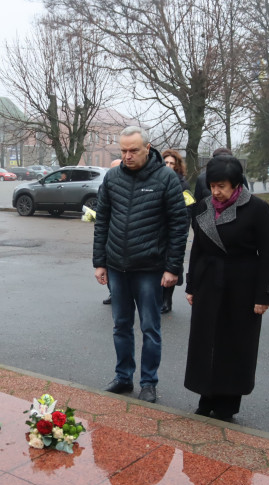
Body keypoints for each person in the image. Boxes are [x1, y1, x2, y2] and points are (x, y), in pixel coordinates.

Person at [94, 127, 189, 403]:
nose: (127, 156)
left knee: (150, 327)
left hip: (149, 268)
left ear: (148, 148)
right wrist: (100, 262)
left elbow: (178, 227)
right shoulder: (112, 178)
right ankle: (123, 377)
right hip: (116, 267)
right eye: (123, 151)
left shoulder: (166, 179)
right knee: (120, 325)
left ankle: (148, 382)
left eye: (133, 150)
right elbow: (102, 222)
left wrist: (173, 268)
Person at [184, 156, 269, 421]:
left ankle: (228, 403)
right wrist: (191, 285)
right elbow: (198, 247)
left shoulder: (257, 208)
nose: (216, 192)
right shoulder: (202, 207)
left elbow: (268, 254)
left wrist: (264, 295)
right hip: (209, 281)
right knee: (206, 340)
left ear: (236, 185)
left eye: (221, 186)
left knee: (235, 343)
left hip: (242, 285)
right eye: (212, 185)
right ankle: (205, 396)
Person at [161, 148, 191, 314]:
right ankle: (158, 298)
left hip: (173, 233)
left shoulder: (183, 185)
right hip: (157, 232)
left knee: (171, 266)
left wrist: (182, 231)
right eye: (166, 162)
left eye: (172, 163)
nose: (169, 166)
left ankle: (167, 300)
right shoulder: (155, 180)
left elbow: (187, 212)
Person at [101, 159, 122, 306]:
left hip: (120, 238)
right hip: (109, 236)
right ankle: (112, 292)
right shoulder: (106, 185)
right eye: (111, 169)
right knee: (109, 268)